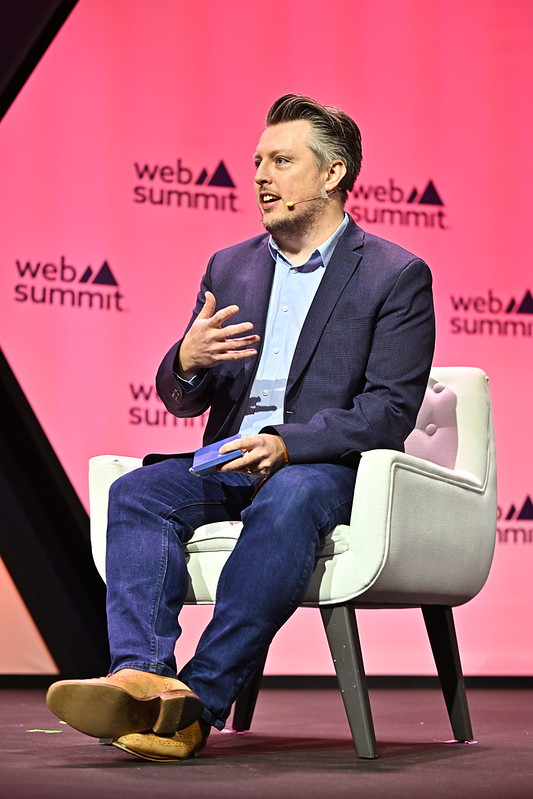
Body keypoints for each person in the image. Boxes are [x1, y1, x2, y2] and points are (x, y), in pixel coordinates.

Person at [46, 94, 435, 761]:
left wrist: (287, 444)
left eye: (281, 160)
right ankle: (139, 675)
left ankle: (198, 700)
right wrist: (186, 362)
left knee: (288, 496)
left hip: (322, 468)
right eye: (257, 160)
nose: (259, 175)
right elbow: (180, 400)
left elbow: (389, 410)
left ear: (333, 172)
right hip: (229, 457)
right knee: (138, 492)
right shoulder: (232, 266)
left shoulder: (393, 274)